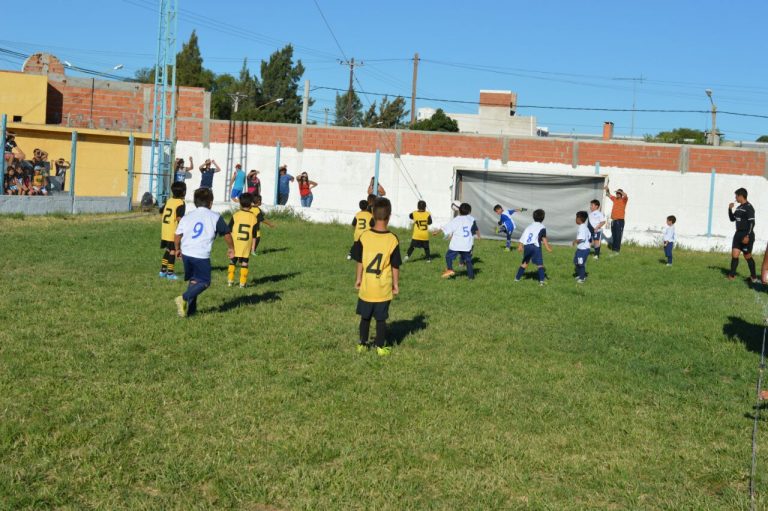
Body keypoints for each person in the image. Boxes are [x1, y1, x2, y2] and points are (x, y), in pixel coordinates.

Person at [351, 197, 401, 356]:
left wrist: (358, 279)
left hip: (366, 286)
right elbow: (395, 265)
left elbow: (360, 261)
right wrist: (396, 284)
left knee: (365, 318)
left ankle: (362, 344)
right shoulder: (392, 239)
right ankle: (380, 347)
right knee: (381, 320)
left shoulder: (364, 236)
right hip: (382, 288)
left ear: (372, 214)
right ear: (389, 216)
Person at [174, 188, 234, 317]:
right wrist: (231, 248)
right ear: (211, 203)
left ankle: (191, 310)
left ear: (195, 202)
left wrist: (177, 249)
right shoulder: (215, 217)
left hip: (186, 253)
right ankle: (183, 298)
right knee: (205, 282)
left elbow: (177, 235)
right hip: (200, 255)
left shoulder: (187, 216)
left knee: (195, 280)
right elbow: (227, 234)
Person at [438, 202, 480, 279]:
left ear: (459, 211)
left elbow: (446, 227)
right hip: (466, 245)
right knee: (468, 261)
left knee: (448, 256)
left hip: (456, 244)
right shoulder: (471, 219)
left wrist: (437, 231)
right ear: (469, 211)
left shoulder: (456, 220)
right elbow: (474, 230)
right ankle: (471, 277)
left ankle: (450, 269)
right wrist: (478, 236)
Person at [515, 209, 553, 286]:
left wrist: (520, 245)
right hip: (535, 247)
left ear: (533, 217)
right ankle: (541, 282)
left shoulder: (529, 226)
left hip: (527, 246)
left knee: (525, 263)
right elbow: (543, 238)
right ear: (543, 218)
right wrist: (547, 247)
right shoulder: (542, 227)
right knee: (540, 264)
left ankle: (517, 279)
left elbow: (523, 236)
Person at [227, 193, 258, 288]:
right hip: (246, 243)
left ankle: (230, 281)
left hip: (235, 242)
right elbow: (254, 234)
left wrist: (229, 246)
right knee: (245, 262)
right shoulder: (253, 217)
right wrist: (253, 247)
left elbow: (229, 229)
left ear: (240, 203)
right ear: (251, 204)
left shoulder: (235, 215)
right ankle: (242, 283)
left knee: (233, 260)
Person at [727, 188, 757, 282]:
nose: (735, 198)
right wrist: (729, 209)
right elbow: (732, 219)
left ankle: (753, 277)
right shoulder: (739, 208)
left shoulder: (749, 207)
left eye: (736, 196)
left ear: (741, 196)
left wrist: (747, 236)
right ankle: (731, 276)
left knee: (747, 256)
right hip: (738, 234)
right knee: (734, 255)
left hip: (746, 235)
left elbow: (752, 223)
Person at [159, 181, 187, 280]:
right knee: (173, 251)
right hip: (172, 231)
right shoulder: (181, 203)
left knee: (168, 249)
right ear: (183, 192)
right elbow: (179, 218)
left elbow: (161, 211)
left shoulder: (169, 200)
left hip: (165, 230)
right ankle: (170, 273)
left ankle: (162, 271)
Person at [605, 186, 628, 253]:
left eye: (618, 193)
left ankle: (617, 250)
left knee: (618, 236)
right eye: (616, 193)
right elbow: (608, 195)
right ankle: (614, 249)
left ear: (621, 194)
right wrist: (607, 189)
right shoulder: (615, 199)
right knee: (614, 235)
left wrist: (620, 191)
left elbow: (625, 195)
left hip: (619, 221)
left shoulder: (624, 200)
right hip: (614, 220)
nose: (617, 194)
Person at [573, 211, 591, 284]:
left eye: (576, 217)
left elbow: (581, 238)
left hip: (584, 250)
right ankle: (580, 274)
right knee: (576, 261)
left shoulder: (582, 228)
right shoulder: (584, 227)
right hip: (580, 249)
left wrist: (575, 241)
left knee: (580, 263)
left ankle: (582, 278)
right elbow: (589, 236)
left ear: (579, 219)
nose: (575, 219)